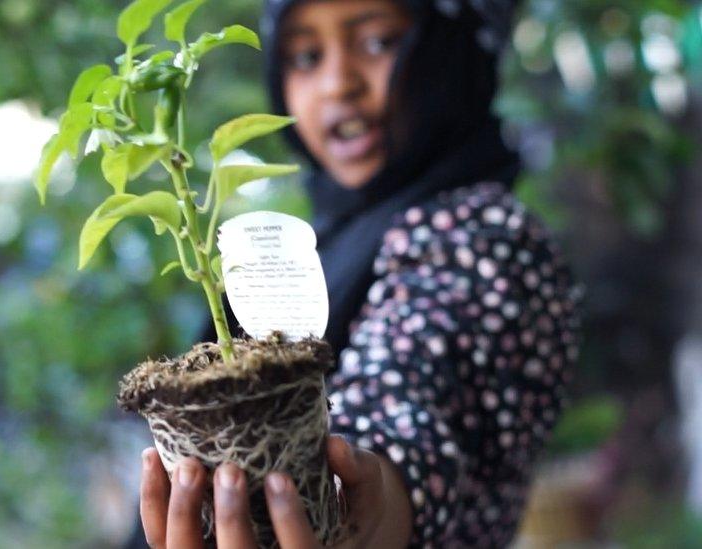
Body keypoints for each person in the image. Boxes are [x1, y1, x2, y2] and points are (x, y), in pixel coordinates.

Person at [130, 0, 582, 547]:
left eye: (378, 42)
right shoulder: (331, 243)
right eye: (305, 55)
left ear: (452, 51)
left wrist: (358, 508)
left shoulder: (482, 239)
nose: (337, 84)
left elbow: (409, 414)